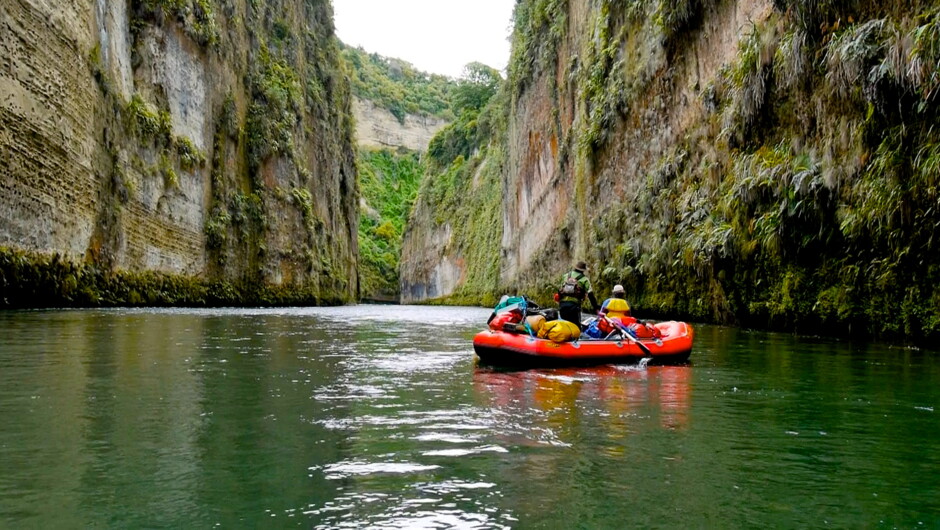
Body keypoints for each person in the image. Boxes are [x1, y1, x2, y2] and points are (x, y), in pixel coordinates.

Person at [556, 261, 599, 327]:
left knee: (563, 326)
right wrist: (596, 308)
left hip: (562, 305)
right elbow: (590, 295)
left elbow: (560, 290)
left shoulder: (565, 276)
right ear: (583, 270)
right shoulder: (584, 279)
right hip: (574, 306)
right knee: (576, 327)